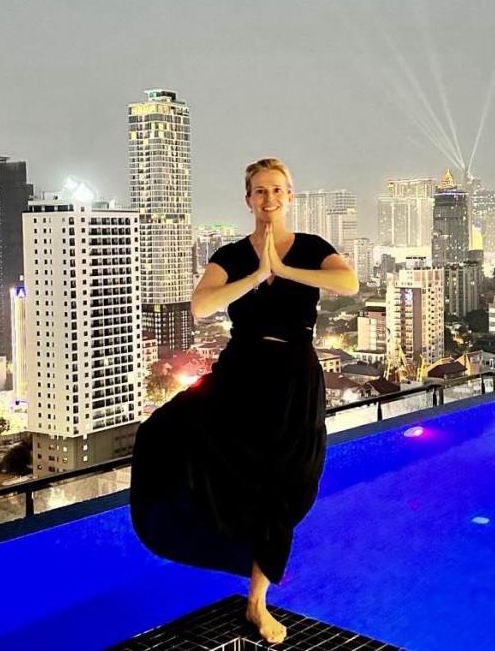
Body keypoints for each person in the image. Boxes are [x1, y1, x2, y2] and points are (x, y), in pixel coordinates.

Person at [130, 158, 358, 645]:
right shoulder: (231, 254)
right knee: (162, 431)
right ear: (248, 198)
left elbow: (349, 283)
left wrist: (284, 268)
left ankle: (258, 601)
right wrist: (258, 273)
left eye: (277, 189)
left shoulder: (312, 248)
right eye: (259, 191)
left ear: (290, 196)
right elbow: (201, 305)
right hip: (241, 373)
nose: (268, 198)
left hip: (294, 377)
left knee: (286, 483)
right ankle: (215, 550)